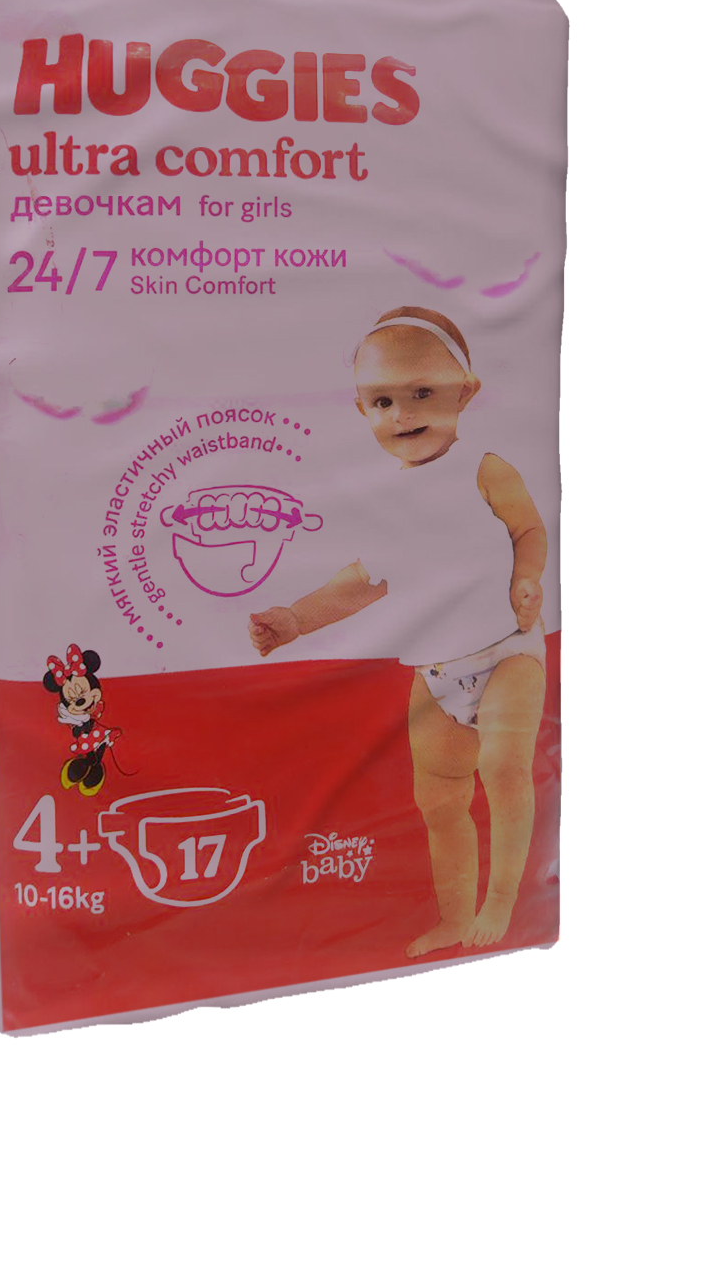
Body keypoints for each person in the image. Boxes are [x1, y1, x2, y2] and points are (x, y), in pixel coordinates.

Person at [248, 306, 548, 956]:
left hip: (508, 651)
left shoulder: (484, 469)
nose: (404, 413)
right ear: (362, 409)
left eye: (423, 393)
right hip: (435, 672)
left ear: (465, 392)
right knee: (439, 799)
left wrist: (527, 577)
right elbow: (361, 582)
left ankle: (503, 903)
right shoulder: (385, 502)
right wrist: (295, 619)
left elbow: (528, 527)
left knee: (503, 767)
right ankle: (454, 917)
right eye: (384, 401)